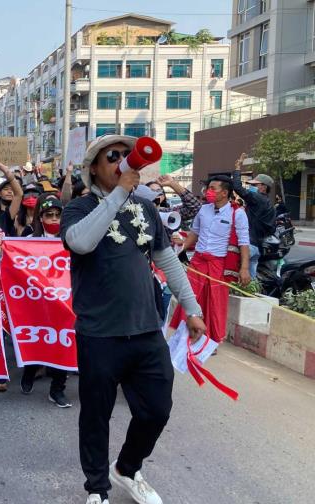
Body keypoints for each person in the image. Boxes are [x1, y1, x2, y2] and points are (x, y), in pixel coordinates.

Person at [61, 135, 206, 504]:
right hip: (100, 334)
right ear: (94, 166)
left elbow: (167, 260)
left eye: (128, 156)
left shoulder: (146, 210)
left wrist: (192, 309)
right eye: (114, 157)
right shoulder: (78, 208)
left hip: (145, 329)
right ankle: (97, 488)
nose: (124, 162)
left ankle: (126, 467)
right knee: (96, 415)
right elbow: (80, 242)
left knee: (157, 408)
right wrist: (117, 196)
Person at [171, 176, 251, 344]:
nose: (209, 192)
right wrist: (182, 248)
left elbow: (244, 243)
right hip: (198, 262)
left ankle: (211, 341)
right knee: (190, 297)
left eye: (213, 188)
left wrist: (244, 268)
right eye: (209, 188)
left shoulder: (237, 213)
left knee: (215, 302)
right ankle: (184, 335)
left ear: (224, 193)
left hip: (218, 264)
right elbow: (195, 233)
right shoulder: (204, 210)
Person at [21, 195, 72, 408]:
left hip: (65, 302)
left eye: (58, 215)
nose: (53, 219)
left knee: (64, 342)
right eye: (48, 215)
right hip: (38, 302)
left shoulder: (72, 238)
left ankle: (57, 389)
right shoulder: (28, 239)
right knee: (37, 337)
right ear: (40, 217)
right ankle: (30, 370)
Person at [233, 171, 275, 279]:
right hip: (257, 247)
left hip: (248, 246)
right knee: (250, 283)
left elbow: (237, 187)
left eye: (254, 185)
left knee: (237, 279)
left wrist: (237, 170)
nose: (251, 187)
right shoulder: (269, 204)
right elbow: (271, 229)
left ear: (264, 187)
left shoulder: (257, 198)